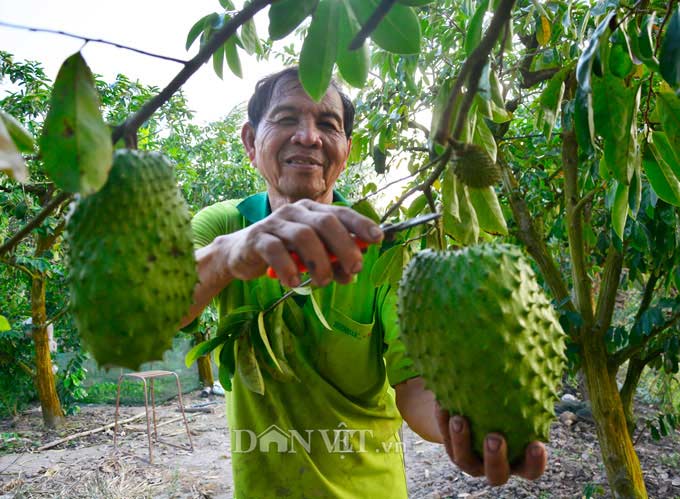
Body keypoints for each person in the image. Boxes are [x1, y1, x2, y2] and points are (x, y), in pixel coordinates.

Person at [180, 67, 547, 498]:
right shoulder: (225, 225)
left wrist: (462, 423)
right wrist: (228, 253)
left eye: (327, 124)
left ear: (346, 151)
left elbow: (413, 385)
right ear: (250, 141)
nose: (309, 137)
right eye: (286, 119)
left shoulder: (383, 248)